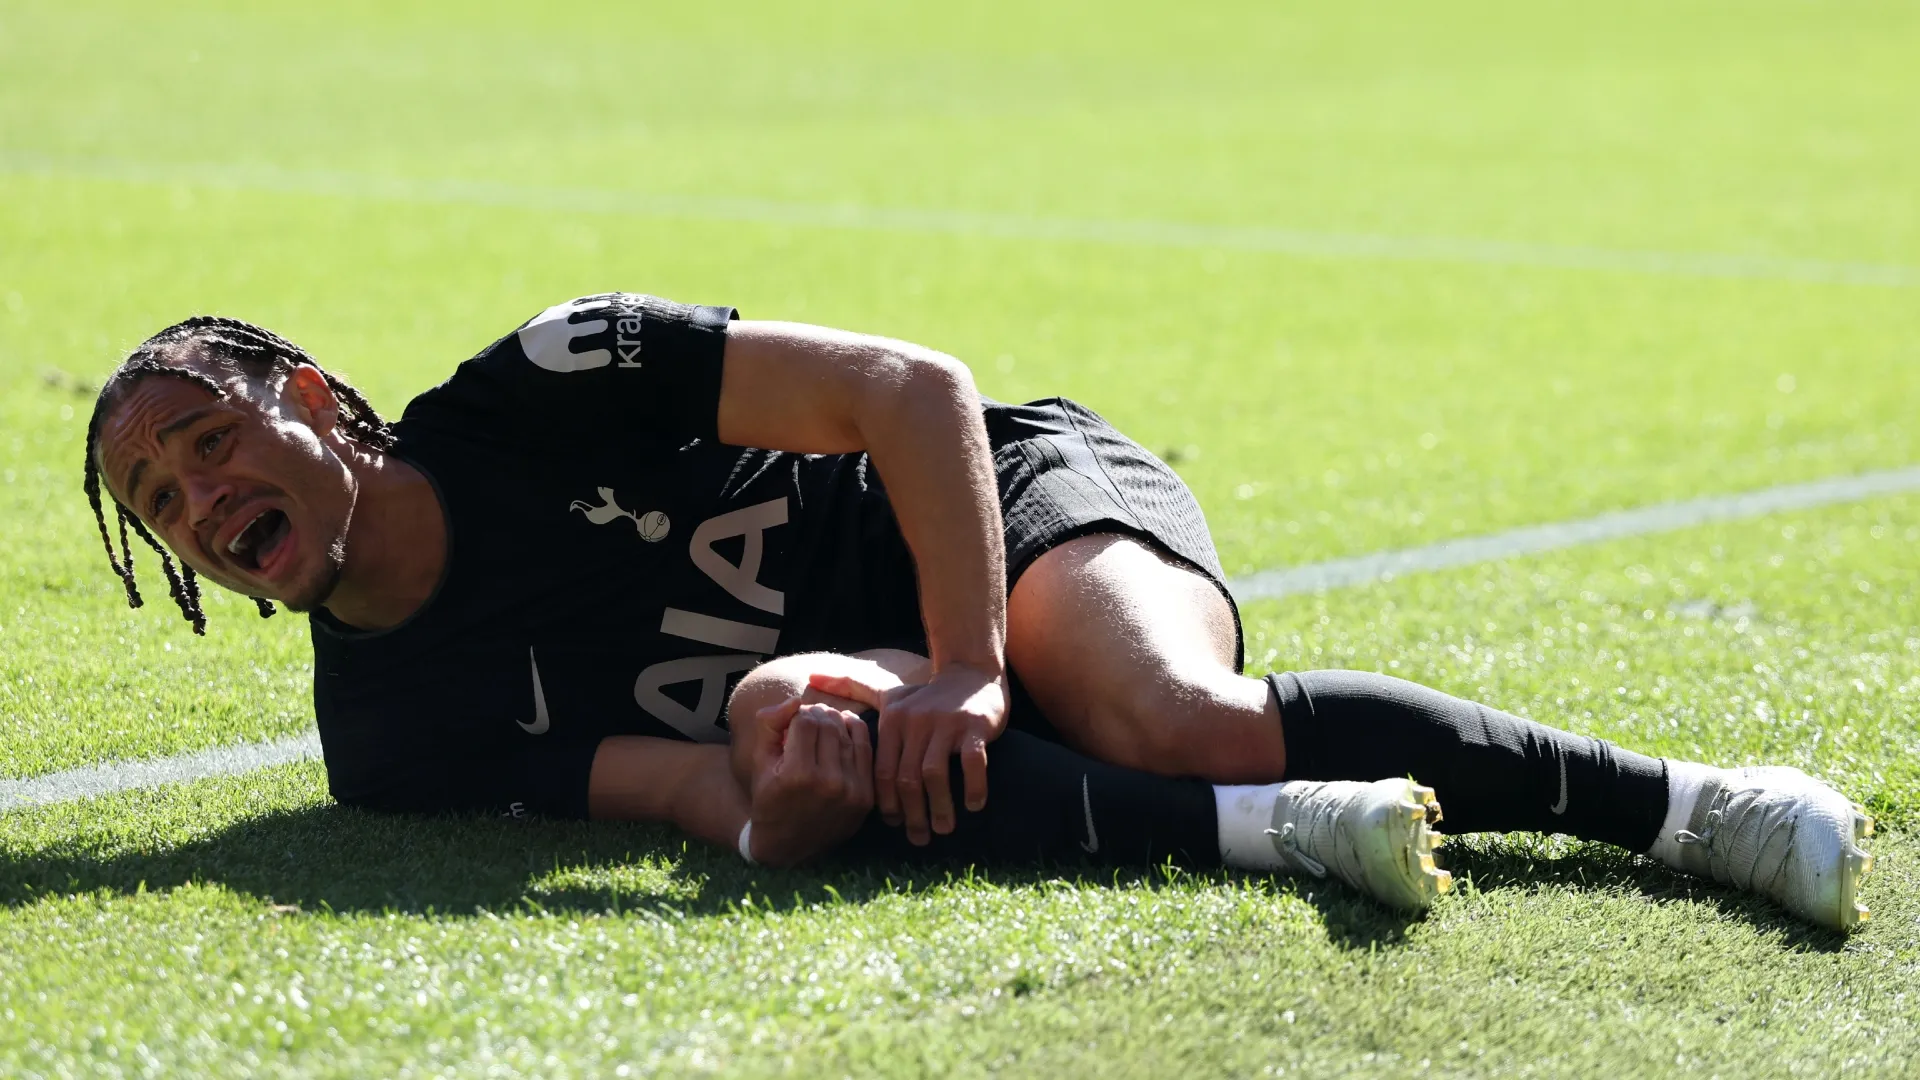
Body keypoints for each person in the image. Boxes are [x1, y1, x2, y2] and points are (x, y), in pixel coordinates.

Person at [80, 293, 1875, 930]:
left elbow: (907, 387)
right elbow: (697, 800)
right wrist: (787, 788)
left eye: (209, 444)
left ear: (311, 399)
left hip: (997, 501)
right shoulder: (382, 742)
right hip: (876, 660)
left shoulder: (545, 381)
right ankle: (1292, 834)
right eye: (161, 504)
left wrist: (958, 658)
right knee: (798, 721)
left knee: (1162, 709)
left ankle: (1694, 806)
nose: (201, 505)